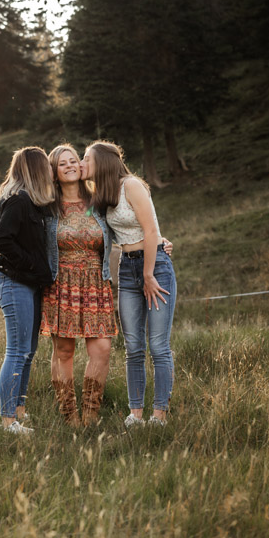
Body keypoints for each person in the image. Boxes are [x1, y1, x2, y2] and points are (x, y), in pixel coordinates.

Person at [82, 141, 177, 427]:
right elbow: (84, 225)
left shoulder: (132, 185)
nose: (82, 163)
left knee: (158, 345)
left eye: (86, 158)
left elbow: (150, 230)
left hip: (155, 267)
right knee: (133, 346)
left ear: (102, 161)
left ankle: (159, 414)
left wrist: (149, 272)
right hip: (126, 269)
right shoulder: (100, 195)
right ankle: (136, 414)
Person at [39, 144, 118, 426]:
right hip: (62, 284)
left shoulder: (99, 202)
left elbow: (129, 225)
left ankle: (91, 413)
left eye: (74, 160)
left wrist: (158, 241)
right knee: (64, 351)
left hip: (96, 283)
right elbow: (22, 231)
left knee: (102, 349)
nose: (71, 165)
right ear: (54, 172)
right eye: (63, 163)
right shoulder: (47, 207)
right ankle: (69, 414)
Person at [0, 146, 57, 435]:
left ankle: (19, 410)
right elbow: (2, 242)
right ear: (36, 169)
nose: (51, 173)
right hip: (14, 283)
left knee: (28, 351)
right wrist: (31, 265)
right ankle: (8, 421)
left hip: (28, 284)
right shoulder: (18, 201)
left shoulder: (33, 203)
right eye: (47, 167)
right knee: (17, 351)